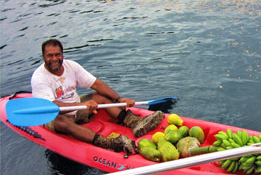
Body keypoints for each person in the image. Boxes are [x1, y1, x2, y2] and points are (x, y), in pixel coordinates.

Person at [31, 39, 164, 155]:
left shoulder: (71, 66)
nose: (54, 59)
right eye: (50, 56)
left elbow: (96, 84)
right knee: (61, 121)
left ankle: (134, 122)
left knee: (100, 96)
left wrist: (119, 99)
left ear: (62, 55)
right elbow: (53, 107)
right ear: (43, 57)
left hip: (77, 107)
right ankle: (110, 144)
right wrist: (83, 105)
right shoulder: (39, 78)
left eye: (57, 55)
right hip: (52, 115)